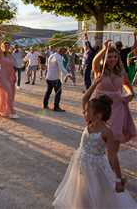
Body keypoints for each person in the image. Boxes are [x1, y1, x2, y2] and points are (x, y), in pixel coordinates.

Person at [53, 78, 137, 208]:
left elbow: (113, 157)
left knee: (96, 194)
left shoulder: (107, 132)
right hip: (81, 163)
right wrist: (95, 84)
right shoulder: (89, 123)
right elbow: (84, 99)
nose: (84, 112)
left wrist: (119, 179)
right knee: (81, 192)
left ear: (98, 115)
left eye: (87, 111)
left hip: (96, 168)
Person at [92, 40, 135, 165]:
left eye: (115, 56)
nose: (113, 59)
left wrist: (130, 94)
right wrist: (104, 49)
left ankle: (113, 173)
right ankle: (102, 168)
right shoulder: (99, 70)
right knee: (99, 141)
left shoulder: (121, 72)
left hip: (118, 108)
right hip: (101, 108)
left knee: (114, 142)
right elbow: (95, 61)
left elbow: (127, 85)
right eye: (110, 56)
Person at [0, 31, 18, 119]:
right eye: (5, 45)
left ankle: (3, 109)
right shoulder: (1, 54)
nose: (7, 47)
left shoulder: (11, 55)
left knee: (10, 94)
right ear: (3, 47)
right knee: (9, 93)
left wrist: (14, 76)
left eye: (8, 46)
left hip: (9, 76)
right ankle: (12, 111)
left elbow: (12, 67)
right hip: (1, 76)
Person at [43, 48, 72, 112]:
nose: (64, 54)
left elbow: (49, 65)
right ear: (61, 52)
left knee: (48, 91)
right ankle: (56, 107)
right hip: (54, 78)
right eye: (64, 53)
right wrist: (68, 74)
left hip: (48, 77)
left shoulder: (52, 55)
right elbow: (61, 67)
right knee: (58, 92)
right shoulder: (58, 57)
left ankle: (45, 105)